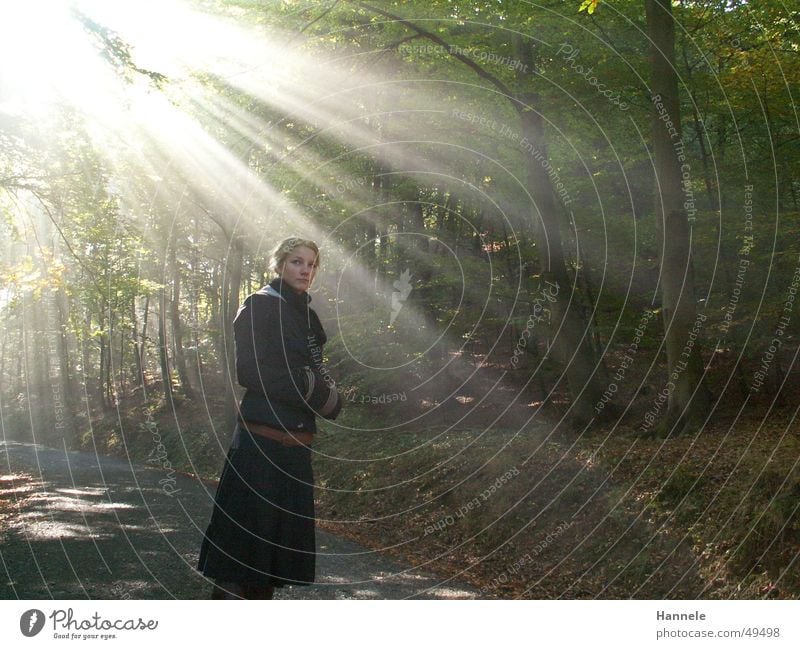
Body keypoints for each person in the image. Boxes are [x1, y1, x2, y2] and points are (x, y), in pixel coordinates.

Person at [197, 236, 342, 599]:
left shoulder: (309, 317)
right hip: (259, 446)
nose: (305, 269)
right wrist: (304, 386)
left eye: (311, 264)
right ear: (279, 264)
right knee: (239, 559)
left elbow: (315, 373)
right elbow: (249, 372)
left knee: (271, 563)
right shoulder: (258, 305)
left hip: (296, 450)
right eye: (296, 261)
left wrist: (328, 395)